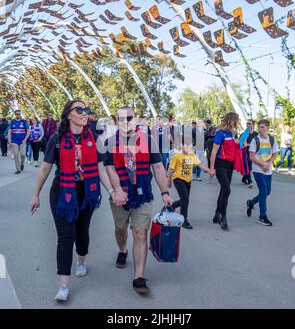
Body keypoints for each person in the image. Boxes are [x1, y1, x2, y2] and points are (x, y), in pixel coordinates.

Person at [30, 100, 127, 302]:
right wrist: (35, 194)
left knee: (81, 233)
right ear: (68, 115)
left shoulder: (95, 139)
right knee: (65, 238)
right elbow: (46, 168)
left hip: (86, 193)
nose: (85, 113)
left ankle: (81, 260)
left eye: (86, 110)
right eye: (79, 110)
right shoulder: (56, 139)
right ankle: (63, 285)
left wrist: (111, 190)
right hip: (62, 192)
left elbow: (101, 168)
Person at [104, 106, 172, 294]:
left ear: (136, 119)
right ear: (117, 121)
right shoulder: (110, 142)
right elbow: (109, 169)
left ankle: (139, 277)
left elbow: (158, 168)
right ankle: (123, 249)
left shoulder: (148, 141)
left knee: (141, 233)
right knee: (120, 229)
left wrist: (164, 192)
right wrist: (117, 191)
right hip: (120, 196)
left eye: (129, 117)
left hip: (143, 194)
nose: (125, 121)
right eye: (121, 118)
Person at [168, 136, 214, 229]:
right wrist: (168, 181)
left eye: (190, 146)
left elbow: (200, 164)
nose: (189, 148)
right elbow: (171, 169)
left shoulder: (192, 155)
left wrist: (209, 170)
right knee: (185, 199)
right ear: (181, 145)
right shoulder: (177, 155)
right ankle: (183, 220)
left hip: (188, 180)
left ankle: (173, 206)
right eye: (187, 146)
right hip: (178, 179)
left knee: (185, 199)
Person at [210, 113, 240, 230]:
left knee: (224, 189)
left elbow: (233, 147)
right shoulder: (220, 133)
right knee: (227, 190)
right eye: (237, 120)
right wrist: (212, 168)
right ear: (232, 120)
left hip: (230, 165)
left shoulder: (232, 134)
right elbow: (213, 152)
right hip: (220, 164)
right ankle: (223, 216)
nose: (238, 122)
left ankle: (217, 213)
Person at [246, 119, 279, 226]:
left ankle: (251, 202)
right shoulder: (255, 140)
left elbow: (274, 154)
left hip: (268, 169)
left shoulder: (272, 140)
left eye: (262, 127)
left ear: (268, 127)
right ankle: (262, 216)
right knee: (264, 191)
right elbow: (251, 157)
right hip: (257, 169)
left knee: (267, 192)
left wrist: (268, 163)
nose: (260, 129)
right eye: (259, 127)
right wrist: (262, 164)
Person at [8, 110, 30, 174]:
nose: (18, 115)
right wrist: (9, 140)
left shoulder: (24, 122)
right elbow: (9, 132)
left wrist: (25, 139)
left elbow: (28, 131)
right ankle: (18, 169)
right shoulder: (12, 122)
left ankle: (22, 164)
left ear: (21, 114)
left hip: (22, 141)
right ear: (15, 115)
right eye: (17, 114)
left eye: (19, 114)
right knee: (16, 155)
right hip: (14, 141)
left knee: (23, 154)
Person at [241, 119, 258, 187]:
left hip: (254, 153)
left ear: (253, 125)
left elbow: (258, 143)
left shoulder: (256, 134)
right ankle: (250, 181)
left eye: (250, 123)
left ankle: (244, 178)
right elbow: (241, 144)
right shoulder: (244, 134)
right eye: (247, 123)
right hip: (245, 153)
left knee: (250, 167)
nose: (248, 125)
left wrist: (248, 144)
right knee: (247, 166)